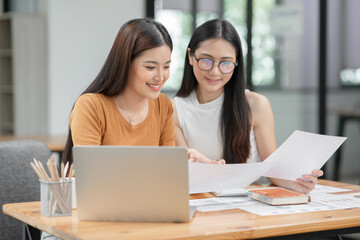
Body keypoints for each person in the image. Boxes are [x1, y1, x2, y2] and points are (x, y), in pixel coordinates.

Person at [41, 18, 174, 240]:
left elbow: (168, 176)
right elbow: (92, 183)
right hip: (84, 222)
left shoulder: (163, 106)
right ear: (125, 63)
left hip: (141, 218)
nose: (161, 77)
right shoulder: (91, 106)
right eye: (151, 67)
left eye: (167, 66)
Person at [172, 19, 323, 194]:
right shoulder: (173, 110)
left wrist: (296, 182)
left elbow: (272, 170)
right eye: (206, 60)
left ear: (236, 63)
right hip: (204, 205)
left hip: (250, 208)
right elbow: (185, 173)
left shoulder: (256, 105)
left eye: (226, 63)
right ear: (191, 56)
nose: (215, 71)